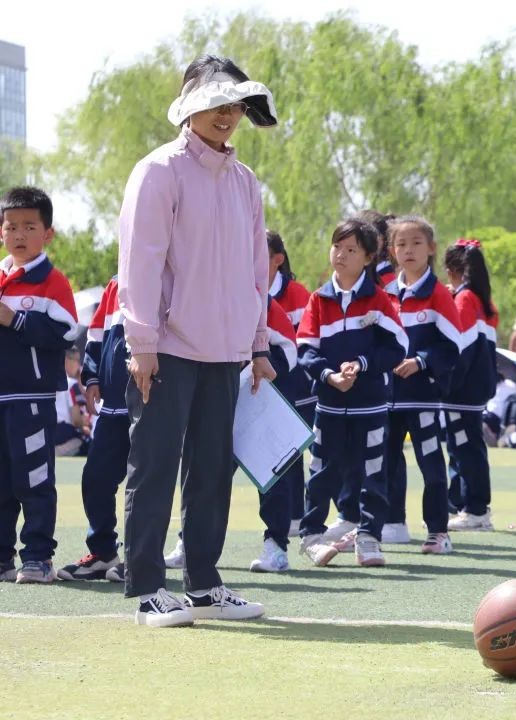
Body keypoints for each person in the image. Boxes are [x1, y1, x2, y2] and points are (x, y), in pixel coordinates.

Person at [119, 55, 277, 627]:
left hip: (227, 351)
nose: (226, 115)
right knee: (154, 468)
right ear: (189, 107)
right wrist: (141, 343)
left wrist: (259, 345)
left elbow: (255, 271)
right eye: (215, 104)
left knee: (211, 472)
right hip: (164, 347)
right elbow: (140, 260)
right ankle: (147, 590)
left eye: (234, 105)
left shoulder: (245, 181)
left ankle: (205, 585)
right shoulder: (159, 170)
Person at [295, 218, 407, 567]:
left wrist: (361, 364)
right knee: (321, 471)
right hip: (328, 406)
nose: (341, 255)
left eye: (351, 249)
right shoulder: (318, 300)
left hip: (370, 406)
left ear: (369, 257)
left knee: (373, 472)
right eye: (337, 247)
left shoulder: (378, 300)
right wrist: (329, 376)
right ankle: (312, 538)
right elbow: (305, 349)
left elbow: (398, 347)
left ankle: (369, 538)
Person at [0, 186, 78, 584]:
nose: (19, 234)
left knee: (33, 479)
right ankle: (2, 558)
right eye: (11, 226)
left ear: (47, 233)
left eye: (29, 226)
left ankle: (38, 557)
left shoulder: (52, 282)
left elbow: (67, 332)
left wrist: (15, 319)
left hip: (31, 400)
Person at [384, 216, 461, 555]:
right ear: (391, 251)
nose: (408, 250)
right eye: (401, 244)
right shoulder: (385, 293)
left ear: (431, 248)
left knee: (431, 463)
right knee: (386, 462)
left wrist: (421, 362)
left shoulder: (439, 294)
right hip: (387, 398)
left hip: (422, 398)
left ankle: (438, 531)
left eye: (416, 243)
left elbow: (453, 345)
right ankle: (392, 523)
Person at [56, 277, 129, 582]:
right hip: (114, 408)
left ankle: (141, 557)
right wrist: (93, 376)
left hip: (156, 404)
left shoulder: (171, 272)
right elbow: (96, 336)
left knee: (146, 485)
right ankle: (103, 553)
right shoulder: (114, 285)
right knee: (95, 478)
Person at [444, 239, 500, 531]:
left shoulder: (465, 299)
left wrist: (447, 381)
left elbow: (460, 346)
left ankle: (476, 509)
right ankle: (459, 503)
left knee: (465, 447)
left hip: (462, 387)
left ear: (452, 270)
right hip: (477, 384)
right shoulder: (482, 299)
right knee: (463, 446)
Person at [267, 229, 315, 539]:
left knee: (293, 454)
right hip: (258, 391)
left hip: (295, 389)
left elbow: (304, 342)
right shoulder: (239, 288)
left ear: (278, 259)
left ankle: (298, 517)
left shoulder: (297, 294)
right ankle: (290, 517)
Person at [248, 297, 301, 572]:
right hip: (215, 395)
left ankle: (277, 547)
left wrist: (255, 369)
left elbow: (289, 349)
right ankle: (190, 544)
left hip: (261, 396)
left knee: (272, 474)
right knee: (205, 475)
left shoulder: (262, 300)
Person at [55, 348, 89, 457]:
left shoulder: (45, 380)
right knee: (84, 441)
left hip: (45, 430)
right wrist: (83, 425)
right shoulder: (71, 383)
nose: (78, 365)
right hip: (62, 431)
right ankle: (56, 452)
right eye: (76, 360)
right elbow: (76, 420)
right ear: (66, 360)